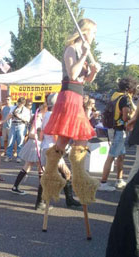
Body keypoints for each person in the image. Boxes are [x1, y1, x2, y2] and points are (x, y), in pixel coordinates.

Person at [42, 18, 101, 205]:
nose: (94, 36)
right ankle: (79, 179)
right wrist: (84, 55)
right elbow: (73, 74)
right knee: (80, 138)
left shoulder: (82, 51)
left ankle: (52, 175)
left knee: (64, 140)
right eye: (93, 32)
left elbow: (84, 79)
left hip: (76, 97)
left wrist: (94, 71)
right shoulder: (71, 49)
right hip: (68, 97)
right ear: (84, 31)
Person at [37, 93, 81, 209]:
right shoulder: (53, 115)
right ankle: (42, 202)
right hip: (53, 148)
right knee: (55, 174)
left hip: (48, 146)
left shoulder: (48, 114)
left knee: (58, 174)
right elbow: (56, 134)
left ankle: (67, 199)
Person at [98, 77, 137, 191]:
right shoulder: (125, 99)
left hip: (112, 128)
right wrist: (132, 117)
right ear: (129, 88)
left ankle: (119, 180)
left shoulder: (115, 95)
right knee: (111, 156)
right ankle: (103, 183)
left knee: (121, 155)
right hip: (120, 130)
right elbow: (125, 117)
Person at [11, 102, 47, 195]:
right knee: (40, 166)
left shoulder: (42, 116)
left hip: (37, 144)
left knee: (30, 166)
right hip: (35, 144)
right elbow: (31, 133)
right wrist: (39, 137)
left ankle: (16, 186)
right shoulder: (39, 117)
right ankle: (42, 191)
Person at [4, 97, 31, 163]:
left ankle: (19, 157)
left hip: (21, 125)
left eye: (21, 104)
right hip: (13, 125)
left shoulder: (26, 110)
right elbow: (9, 115)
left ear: (23, 104)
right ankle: (9, 156)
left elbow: (27, 119)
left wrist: (19, 116)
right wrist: (7, 118)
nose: (19, 105)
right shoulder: (13, 108)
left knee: (20, 142)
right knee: (10, 141)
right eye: (19, 103)